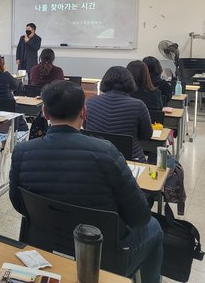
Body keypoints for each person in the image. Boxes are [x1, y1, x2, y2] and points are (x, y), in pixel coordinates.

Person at [9, 80, 163, 283]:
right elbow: (139, 218)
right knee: (155, 227)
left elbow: (19, 204)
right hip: (104, 256)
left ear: (45, 113)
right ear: (84, 112)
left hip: (44, 243)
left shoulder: (22, 151)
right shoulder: (107, 152)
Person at [84, 66, 153, 162]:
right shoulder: (138, 105)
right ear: (130, 82)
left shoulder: (90, 102)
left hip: (95, 157)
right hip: (129, 159)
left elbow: (86, 127)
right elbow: (146, 136)